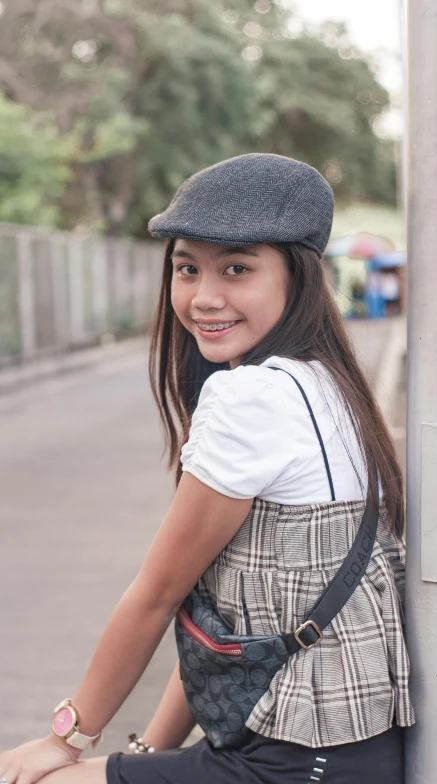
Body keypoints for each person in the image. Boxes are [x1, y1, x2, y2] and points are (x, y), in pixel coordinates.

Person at [0, 153, 414, 784]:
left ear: (298, 279)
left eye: (237, 269)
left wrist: (69, 738)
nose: (204, 297)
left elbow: (156, 596)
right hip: (343, 755)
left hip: (295, 763)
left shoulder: (251, 398)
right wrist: (142, 757)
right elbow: (225, 635)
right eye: (187, 268)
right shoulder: (328, 383)